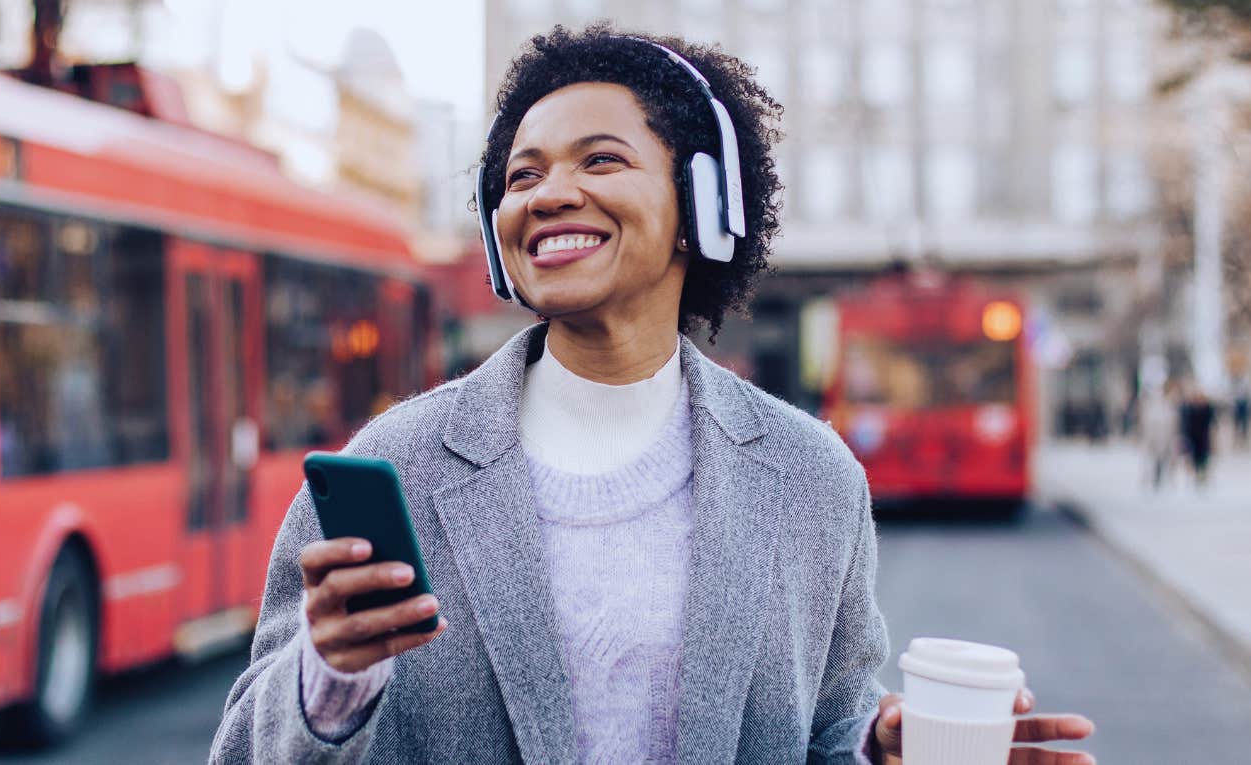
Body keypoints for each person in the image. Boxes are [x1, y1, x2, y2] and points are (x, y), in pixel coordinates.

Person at [210, 26, 1094, 764]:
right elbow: (243, 747)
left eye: (601, 158)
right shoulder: (390, 466)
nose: (550, 194)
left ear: (704, 206)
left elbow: (828, 722)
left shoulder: (810, 474)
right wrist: (328, 679)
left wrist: (878, 746)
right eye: (521, 176)